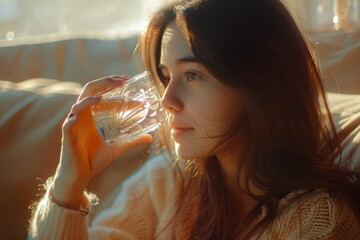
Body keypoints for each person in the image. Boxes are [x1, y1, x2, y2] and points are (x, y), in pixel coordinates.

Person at [29, 0, 360, 239]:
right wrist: (68, 185)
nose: (167, 100)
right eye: (164, 75)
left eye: (193, 75)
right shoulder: (168, 181)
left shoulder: (319, 222)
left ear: (260, 85)